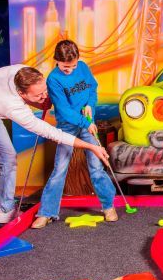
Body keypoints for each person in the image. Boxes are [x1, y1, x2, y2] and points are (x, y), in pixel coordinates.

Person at [0, 65, 110, 256]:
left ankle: (6, 210)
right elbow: (52, 133)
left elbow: (39, 94)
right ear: (22, 94)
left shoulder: (23, 71)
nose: (44, 97)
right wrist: (91, 146)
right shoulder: (11, 106)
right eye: (38, 95)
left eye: (44, 91)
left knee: (8, 158)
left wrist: (41, 100)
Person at [31, 40, 117, 229]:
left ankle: (108, 206)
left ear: (78, 60)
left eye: (73, 66)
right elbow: (64, 111)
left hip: (87, 122)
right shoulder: (53, 79)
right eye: (65, 67)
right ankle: (46, 213)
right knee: (60, 169)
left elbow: (92, 89)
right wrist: (86, 123)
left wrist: (90, 106)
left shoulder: (83, 67)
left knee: (96, 167)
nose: (70, 70)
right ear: (57, 61)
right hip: (67, 127)